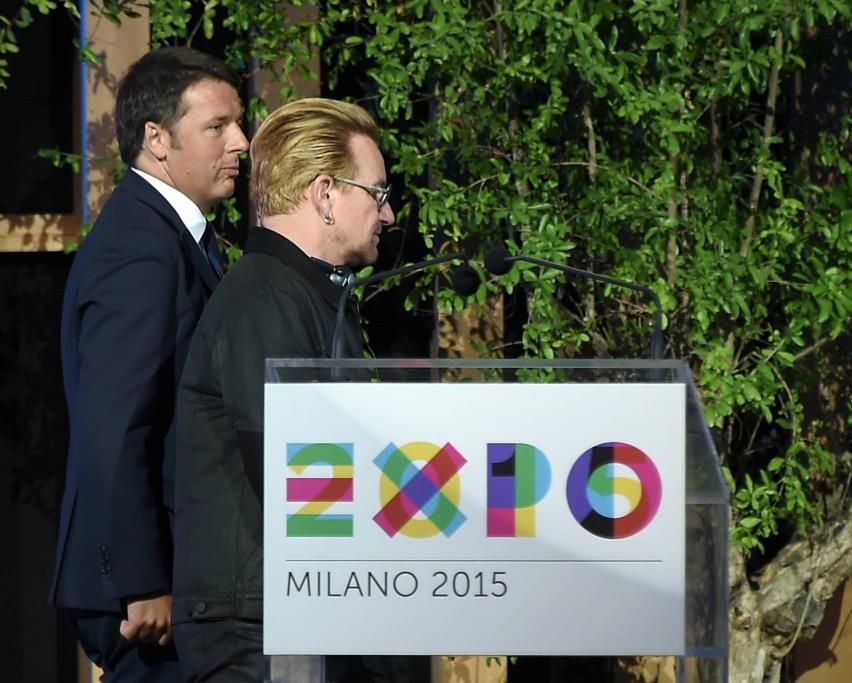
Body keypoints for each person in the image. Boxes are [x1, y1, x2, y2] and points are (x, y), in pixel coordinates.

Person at [171, 98, 427, 682]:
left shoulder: (309, 295)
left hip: (293, 614)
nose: (388, 215)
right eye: (378, 194)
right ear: (325, 194)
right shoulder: (265, 297)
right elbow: (301, 471)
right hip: (259, 630)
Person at [49, 46, 249, 682]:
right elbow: (116, 423)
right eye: (217, 126)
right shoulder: (142, 247)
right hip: (147, 596)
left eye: (238, 123)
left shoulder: (169, 235)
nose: (241, 142)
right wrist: (142, 581)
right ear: (157, 139)